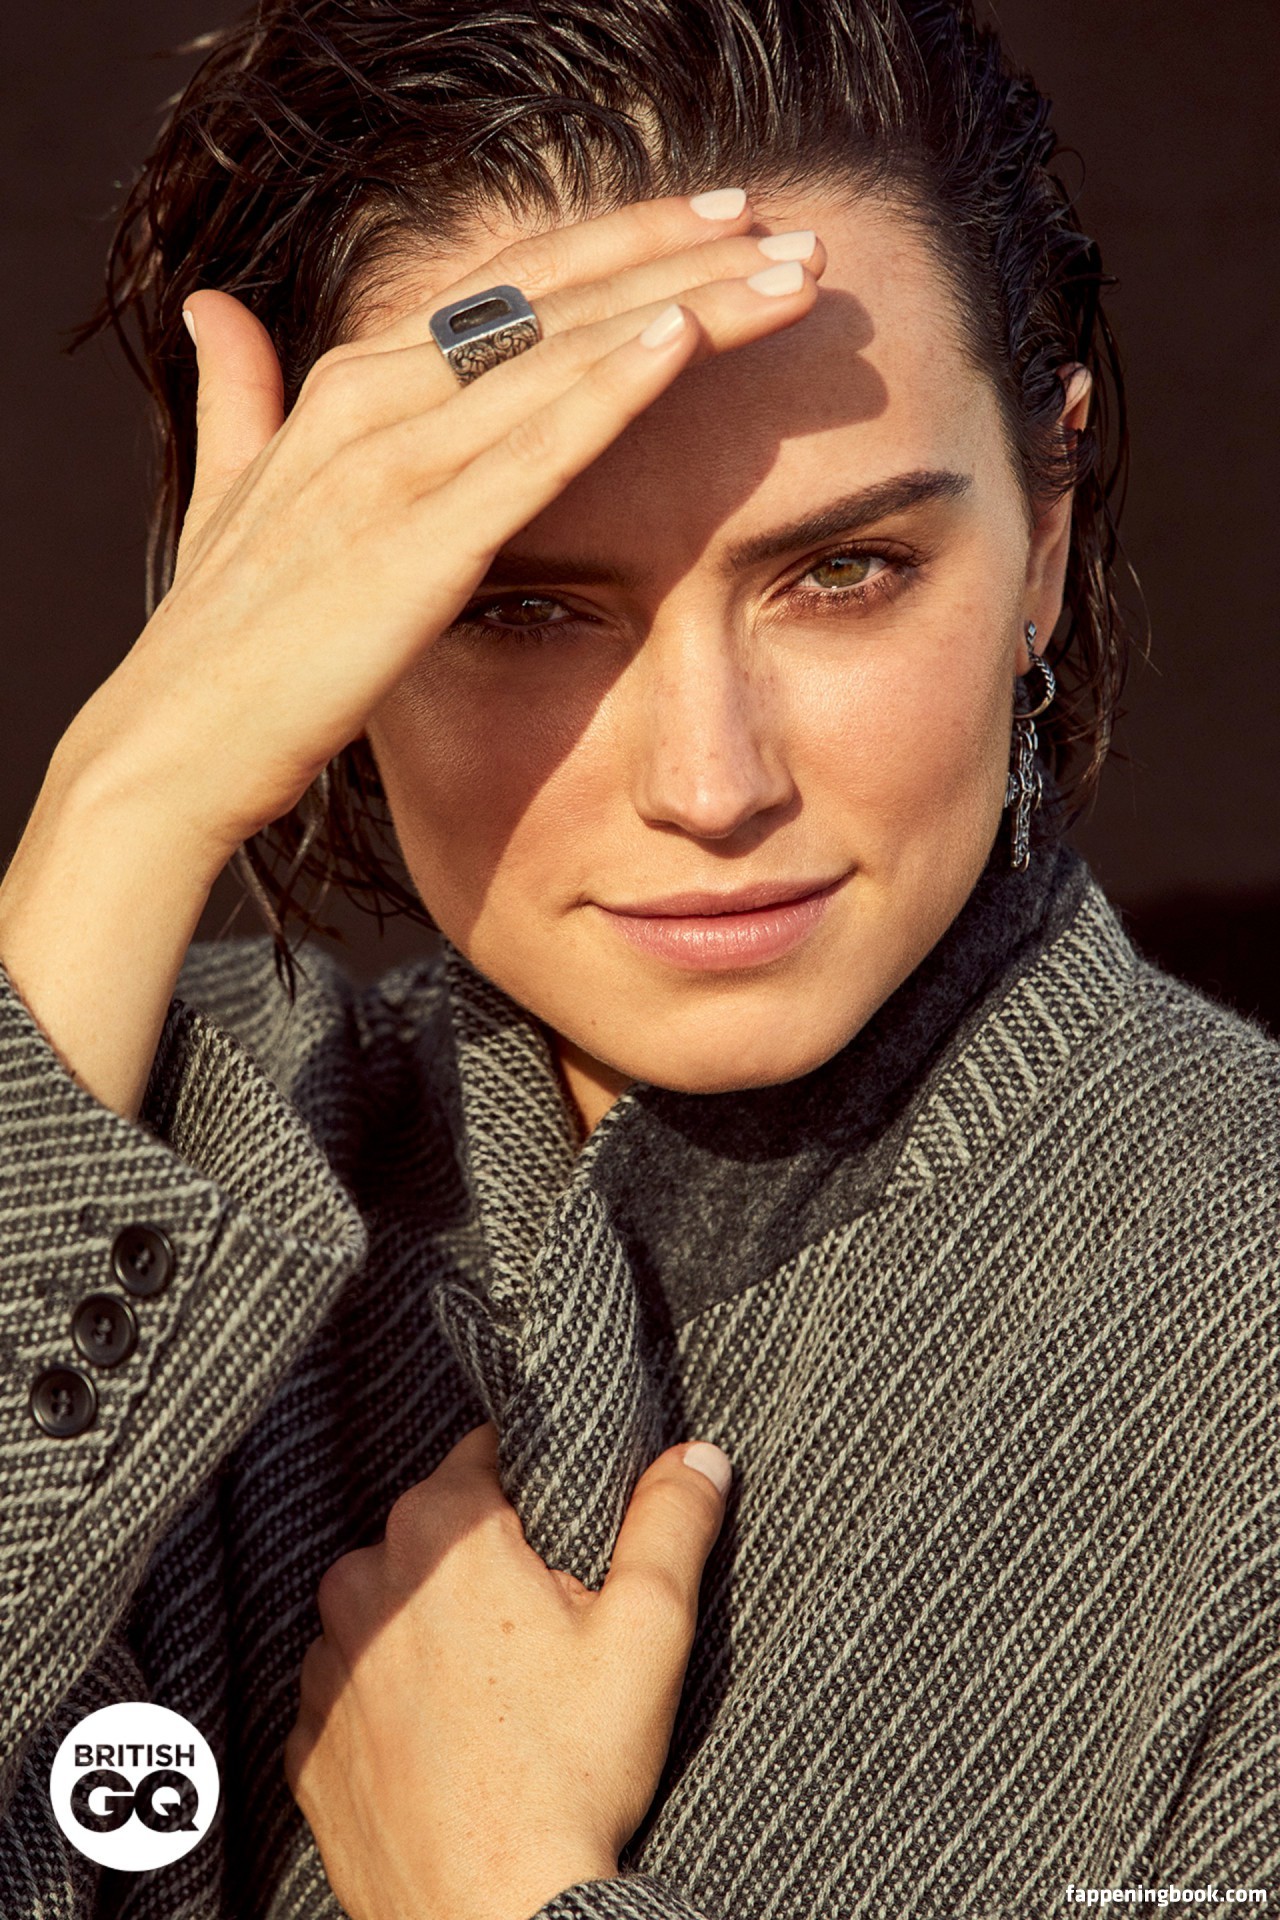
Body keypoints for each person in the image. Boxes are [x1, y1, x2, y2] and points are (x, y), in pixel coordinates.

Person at [0, 0, 1275, 1914]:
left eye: (844, 572)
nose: (710, 782)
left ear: (1045, 535)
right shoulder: (159, 1124)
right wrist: (126, 799)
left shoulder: (1240, 1314)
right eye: (519, 602)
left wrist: (508, 1892)